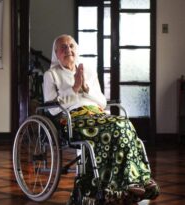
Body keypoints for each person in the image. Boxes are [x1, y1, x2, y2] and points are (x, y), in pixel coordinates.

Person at [43, 34, 159, 204]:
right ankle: (106, 188)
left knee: (124, 124)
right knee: (111, 128)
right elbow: (52, 109)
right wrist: (74, 88)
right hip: (72, 118)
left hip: (96, 114)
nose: (68, 49)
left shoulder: (88, 70)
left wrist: (86, 88)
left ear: (77, 49)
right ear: (56, 53)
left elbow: (102, 101)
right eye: (63, 47)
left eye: (71, 46)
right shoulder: (51, 75)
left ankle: (134, 181)